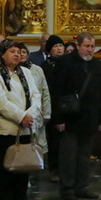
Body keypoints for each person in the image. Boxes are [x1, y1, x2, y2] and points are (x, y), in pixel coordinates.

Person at [0, 40, 42, 200]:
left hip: (25, 129)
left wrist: (30, 114)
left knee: (22, 170)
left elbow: (36, 95)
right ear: (2, 54)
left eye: (19, 51)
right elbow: (0, 103)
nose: (17, 54)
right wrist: (20, 117)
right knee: (2, 172)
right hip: (4, 130)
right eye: (12, 51)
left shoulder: (25, 72)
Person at [53, 32, 101, 200]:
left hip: (89, 118)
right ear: (78, 46)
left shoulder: (97, 65)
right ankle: (67, 188)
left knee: (85, 156)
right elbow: (57, 91)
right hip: (70, 118)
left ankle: (82, 186)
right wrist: (58, 119)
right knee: (68, 156)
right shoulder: (65, 62)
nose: (89, 50)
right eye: (86, 46)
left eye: (92, 47)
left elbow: (100, 93)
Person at [41, 34, 66, 183]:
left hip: (67, 108)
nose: (58, 49)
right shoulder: (46, 66)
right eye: (55, 46)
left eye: (60, 46)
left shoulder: (67, 64)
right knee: (54, 142)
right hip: (52, 107)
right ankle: (54, 170)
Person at [19, 43, 51, 154]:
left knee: (38, 145)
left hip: (36, 113)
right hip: (20, 114)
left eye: (24, 52)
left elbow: (45, 92)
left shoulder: (37, 69)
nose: (22, 55)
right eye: (19, 52)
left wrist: (47, 113)